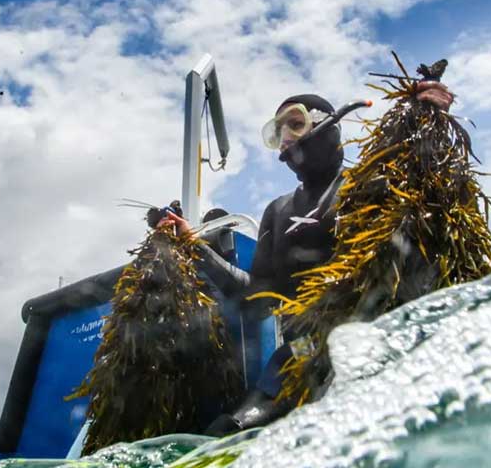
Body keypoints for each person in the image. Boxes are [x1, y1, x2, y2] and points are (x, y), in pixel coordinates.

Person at [158, 81, 454, 435]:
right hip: (300, 359)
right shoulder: (278, 210)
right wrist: (194, 246)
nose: (284, 138)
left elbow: (429, 216)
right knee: (224, 434)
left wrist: (428, 122)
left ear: (328, 125)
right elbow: (256, 300)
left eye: (295, 124)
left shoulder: (372, 184)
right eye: (277, 131)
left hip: (372, 348)